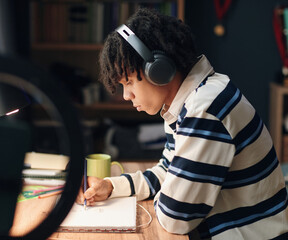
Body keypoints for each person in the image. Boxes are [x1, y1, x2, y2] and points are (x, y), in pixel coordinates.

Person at [76, 8, 288, 239]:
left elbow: (176, 217)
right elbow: (169, 171)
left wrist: (169, 194)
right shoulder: (187, 102)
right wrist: (113, 186)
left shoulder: (204, 109)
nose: (126, 95)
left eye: (129, 82)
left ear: (158, 70)